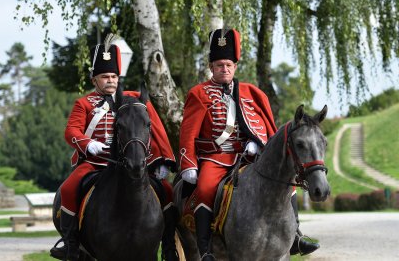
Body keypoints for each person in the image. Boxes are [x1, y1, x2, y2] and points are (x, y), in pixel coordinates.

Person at [178, 28, 319, 260]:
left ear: (235, 66)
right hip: (217, 157)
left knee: (289, 185)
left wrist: (259, 143)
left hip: (252, 157)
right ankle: (205, 251)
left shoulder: (252, 92)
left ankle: (295, 237)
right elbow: (188, 131)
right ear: (212, 67)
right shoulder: (198, 93)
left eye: (229, 65)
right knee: (204, 189)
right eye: (220, 65)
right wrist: (188, 164)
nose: (225, 69)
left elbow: (267, 127)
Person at [50, 34, 179, 261]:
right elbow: (71, 132)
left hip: (132, 164)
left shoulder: (133, 100)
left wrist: (160, 161)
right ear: (94, 80)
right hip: (94, 165)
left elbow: (152, 129)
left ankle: (169, 246)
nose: (110, 80)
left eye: (113, 76)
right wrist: (88, 144)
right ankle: (71, 244)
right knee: (69, 189)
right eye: (104, 77)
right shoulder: (84, 104)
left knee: (166, 191)